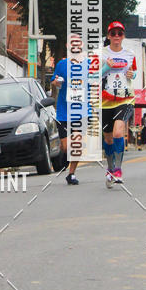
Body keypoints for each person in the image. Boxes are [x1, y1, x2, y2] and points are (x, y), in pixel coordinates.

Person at [101, 21, 137, 187]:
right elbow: (92, 76)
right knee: (108, 138)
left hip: (125, 98)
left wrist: (132, 74)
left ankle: (118, 170)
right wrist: (105, 68)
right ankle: (110, 168)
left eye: (119, 33)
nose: (116, 36)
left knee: (118, 132)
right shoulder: (101, 54)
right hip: (104, 100)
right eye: (113, 33)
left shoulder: (130, 54)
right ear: (108, 36)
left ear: (123, 36)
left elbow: (134, 73)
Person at [50, 36, 88, 185]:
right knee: (67, 147)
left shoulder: (88, 64)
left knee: (77, 144)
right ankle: (64, 157)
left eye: (78, 42)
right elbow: (54, 81)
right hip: (63, 112)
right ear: (67, 45)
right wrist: (57, 82)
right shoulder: (62, 64)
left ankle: (71, 174)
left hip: (81, 111)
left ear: (82, 44)